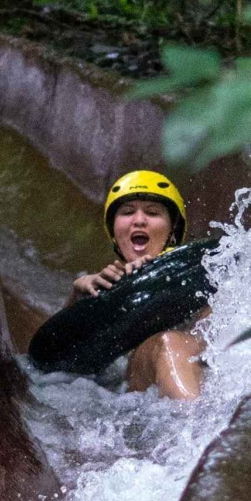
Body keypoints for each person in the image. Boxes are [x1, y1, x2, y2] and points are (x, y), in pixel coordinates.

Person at [70, 170, 205, 400]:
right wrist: (78, 299)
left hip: (197, 365)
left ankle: (198, 422)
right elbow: (57, 363)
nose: (139, 220)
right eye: (127, 212)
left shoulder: (203, 275)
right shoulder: (103, 287)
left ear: (172, 232)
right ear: (114, 232)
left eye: (152, 213)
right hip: (134, 389)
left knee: (169, 343)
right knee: (167, 343)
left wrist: (157, 276)